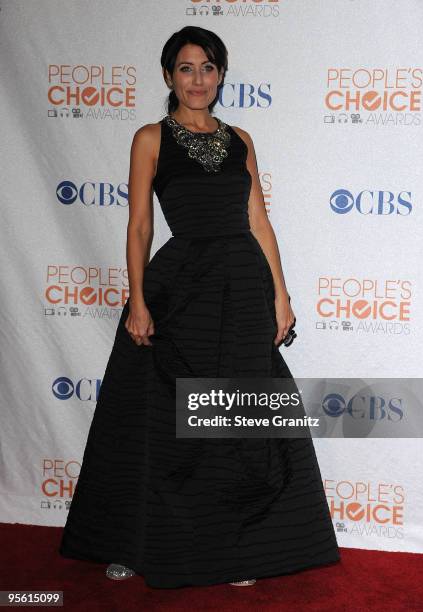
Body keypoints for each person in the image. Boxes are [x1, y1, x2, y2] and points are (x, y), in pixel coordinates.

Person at [59, 25, 341, 589]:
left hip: (240, 289)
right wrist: (137, 299)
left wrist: (281, 296)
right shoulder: (149, 138)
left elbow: (258, 220)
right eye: (186, 68)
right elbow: (139, 225)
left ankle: (237, 550)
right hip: (179, 287)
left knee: (233, 422)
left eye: (208, 68)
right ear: (169, 76)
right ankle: (132, 544)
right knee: (151, 421)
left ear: (220, 76)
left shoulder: (241, 138)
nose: (198, 79)